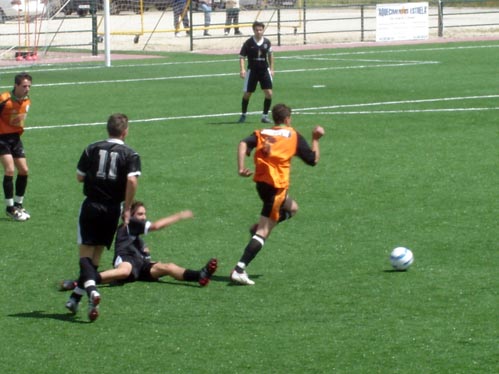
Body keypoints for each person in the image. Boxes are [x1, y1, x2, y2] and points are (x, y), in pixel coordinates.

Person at [230, 103, 325, 285]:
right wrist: (316, 138)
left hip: (261, 184)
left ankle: (257, 229)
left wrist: (241, 167)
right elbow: (313, 160)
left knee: (292, 208)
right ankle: (239, 269)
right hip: (276, 188)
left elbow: (243, 143)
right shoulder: (293, 136)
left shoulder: (263, 132)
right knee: (265, 230)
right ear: (288, 119)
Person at [65, 113, 141, 322]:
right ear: (125, 131)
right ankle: (75, 299)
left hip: (91, 205)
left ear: (107, 129)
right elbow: (132, 182)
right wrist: (127, 208)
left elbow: (79, 176)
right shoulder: (131, 154)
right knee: (96, 257)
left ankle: (91, 292)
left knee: (85, 257)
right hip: (112, 209)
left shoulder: (92, 148)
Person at [97, 201, 217, 288]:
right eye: (140, 214)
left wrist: (148, 257)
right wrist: (179, 216)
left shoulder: (137, 239)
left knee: (167, 267)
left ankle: (200, 275)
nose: (144, 217)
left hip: (141, 267)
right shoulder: (128, 224)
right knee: (124, 271)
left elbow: (145, 257)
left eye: (144, 213)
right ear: (130, 215)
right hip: (126, 260)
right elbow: (156, 226)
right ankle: (89, 280)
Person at [0, 72, 32, 221]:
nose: (27, 89)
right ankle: (10, 207)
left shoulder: (27, 102)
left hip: (15, 138)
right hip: (1, 138)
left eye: (29, 86)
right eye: (24, 86)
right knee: (10, 170)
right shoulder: (4, 99)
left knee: (24, 170)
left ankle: (18, 204)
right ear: (16, 85)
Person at [238, 21, 274, 124]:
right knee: (247, 94)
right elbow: (242, 57)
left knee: (269, 93)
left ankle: (265, 116)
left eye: (260, 30)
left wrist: (271, 68)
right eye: (257, 30)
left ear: (263, 30)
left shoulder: (267, 42)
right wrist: (242, 69)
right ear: (253, 30)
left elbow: (270, 54)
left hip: (264, 71)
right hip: (252, 71)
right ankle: (243, 115)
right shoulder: (248, 43)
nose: (259, 32)